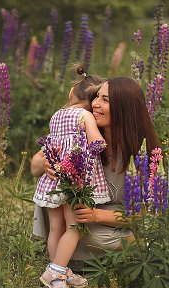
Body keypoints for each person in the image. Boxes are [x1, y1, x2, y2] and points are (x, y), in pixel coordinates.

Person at [31, 76, 160, 270]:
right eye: (96, 97)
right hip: (78, 216)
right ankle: (65, 261)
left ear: (123, 109)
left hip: (115, 218)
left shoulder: (144, 151)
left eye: (105, 100)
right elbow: (35, 167)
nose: (95, 104)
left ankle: (67, 259)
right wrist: (46, 163)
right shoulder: (83, 133)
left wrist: (96, 215)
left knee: (91, 235)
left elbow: (141, 213)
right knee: (54, 202)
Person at [33, 65, 110, 288]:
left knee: (55, 228)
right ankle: (55, 273)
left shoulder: (56, 116)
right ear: (92, 101)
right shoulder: (85, 115)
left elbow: (51, 145)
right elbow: (96, 143)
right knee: (75, 227)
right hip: (73, 179)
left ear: (71, 93)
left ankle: (61, 270)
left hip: (52, 179)